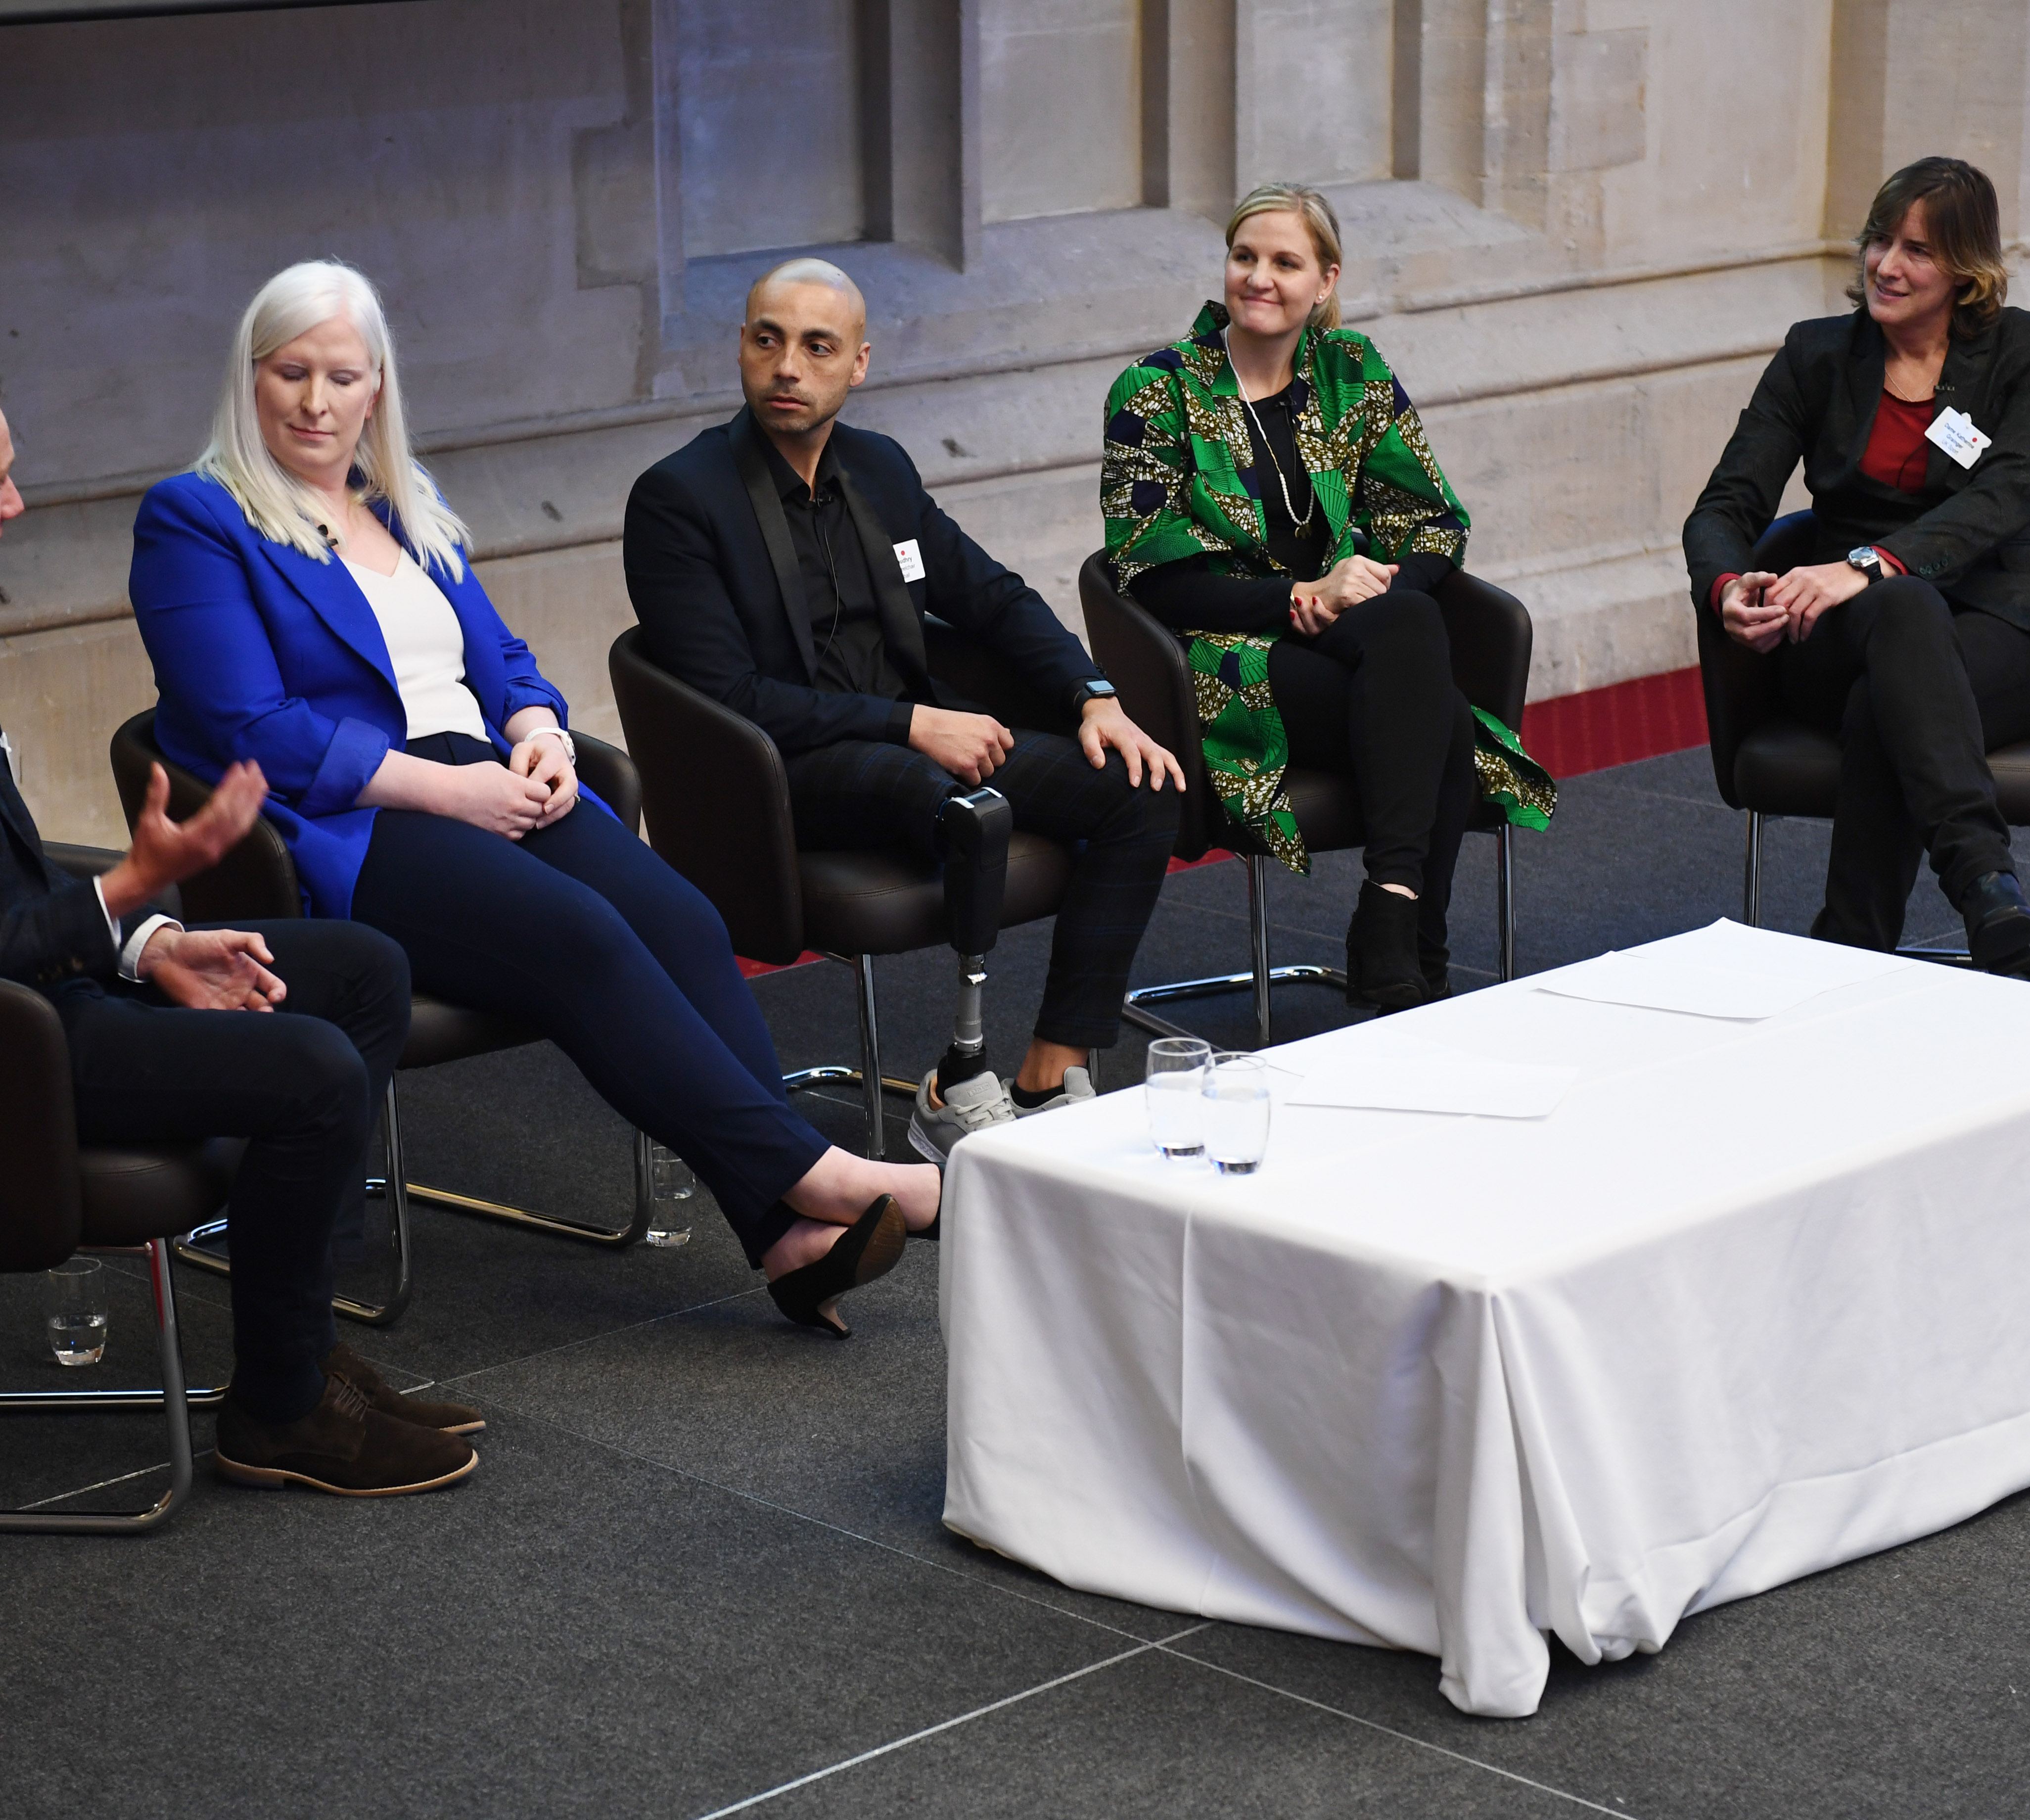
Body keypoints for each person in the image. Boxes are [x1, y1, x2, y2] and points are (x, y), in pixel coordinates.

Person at [0, 333, 475, 1497]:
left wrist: (150, 940)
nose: (17, 503)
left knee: (362, 971)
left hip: (22, 990)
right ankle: (280, 1407)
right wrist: (124, 891)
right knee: (316, 1068)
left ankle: (293, 1351)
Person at [130, 261, 932, 1337]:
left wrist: (539, 730)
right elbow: (252, 728)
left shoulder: (407, 501)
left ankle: (781, 1234)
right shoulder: (197, 517)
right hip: (355, 816)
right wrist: (450, 792)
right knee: (580, 934)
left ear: (378, 388)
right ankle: (812, 1170)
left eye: (342, 376)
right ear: (251, 377)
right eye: (290, 373)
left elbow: (501, 656)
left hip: (488, 772)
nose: (315, 402)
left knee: (684, 919)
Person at [625, 258, 1187, 1163]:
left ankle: (1053, 1062)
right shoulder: (679, 498)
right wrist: (912, 724)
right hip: (784, 768)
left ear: (859, 365)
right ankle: (958, 1077)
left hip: (921, 740)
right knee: (959, 801)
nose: (787, 368)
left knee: (1139, 787)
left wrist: (1095, 698)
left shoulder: (880, 469)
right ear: (741, 346)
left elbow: (992, 596)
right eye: (768, 341)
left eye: (817, 347)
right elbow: (730, 698)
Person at [1101, 183, 1553, 1014]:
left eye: (1285, 262)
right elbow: (1149, 572)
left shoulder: (1352, 372)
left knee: (1410, 615)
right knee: (1442, 719)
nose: (1259, 278)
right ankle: (1413, 944)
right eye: (1245, 257)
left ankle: (1392, 919)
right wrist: (1299, 597)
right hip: (1216, 660)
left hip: (1352, 637)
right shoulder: (1157, 391)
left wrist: (1367, 589)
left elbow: (1433, 522)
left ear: (1326, 281)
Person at [1683, 156, 2030, 975]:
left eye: (1919, 251)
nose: (1887, 265)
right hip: (1847, 633)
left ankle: (1850, 949)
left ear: (1968, 270)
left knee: (1892, 698)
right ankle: (1982, 877)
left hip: (2009, 627)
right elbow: (1726, 504)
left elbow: (2013, 492)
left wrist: (1871, 564)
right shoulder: (1818, 355)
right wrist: (1727, 588)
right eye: (1880, 240)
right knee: (1903, 622)